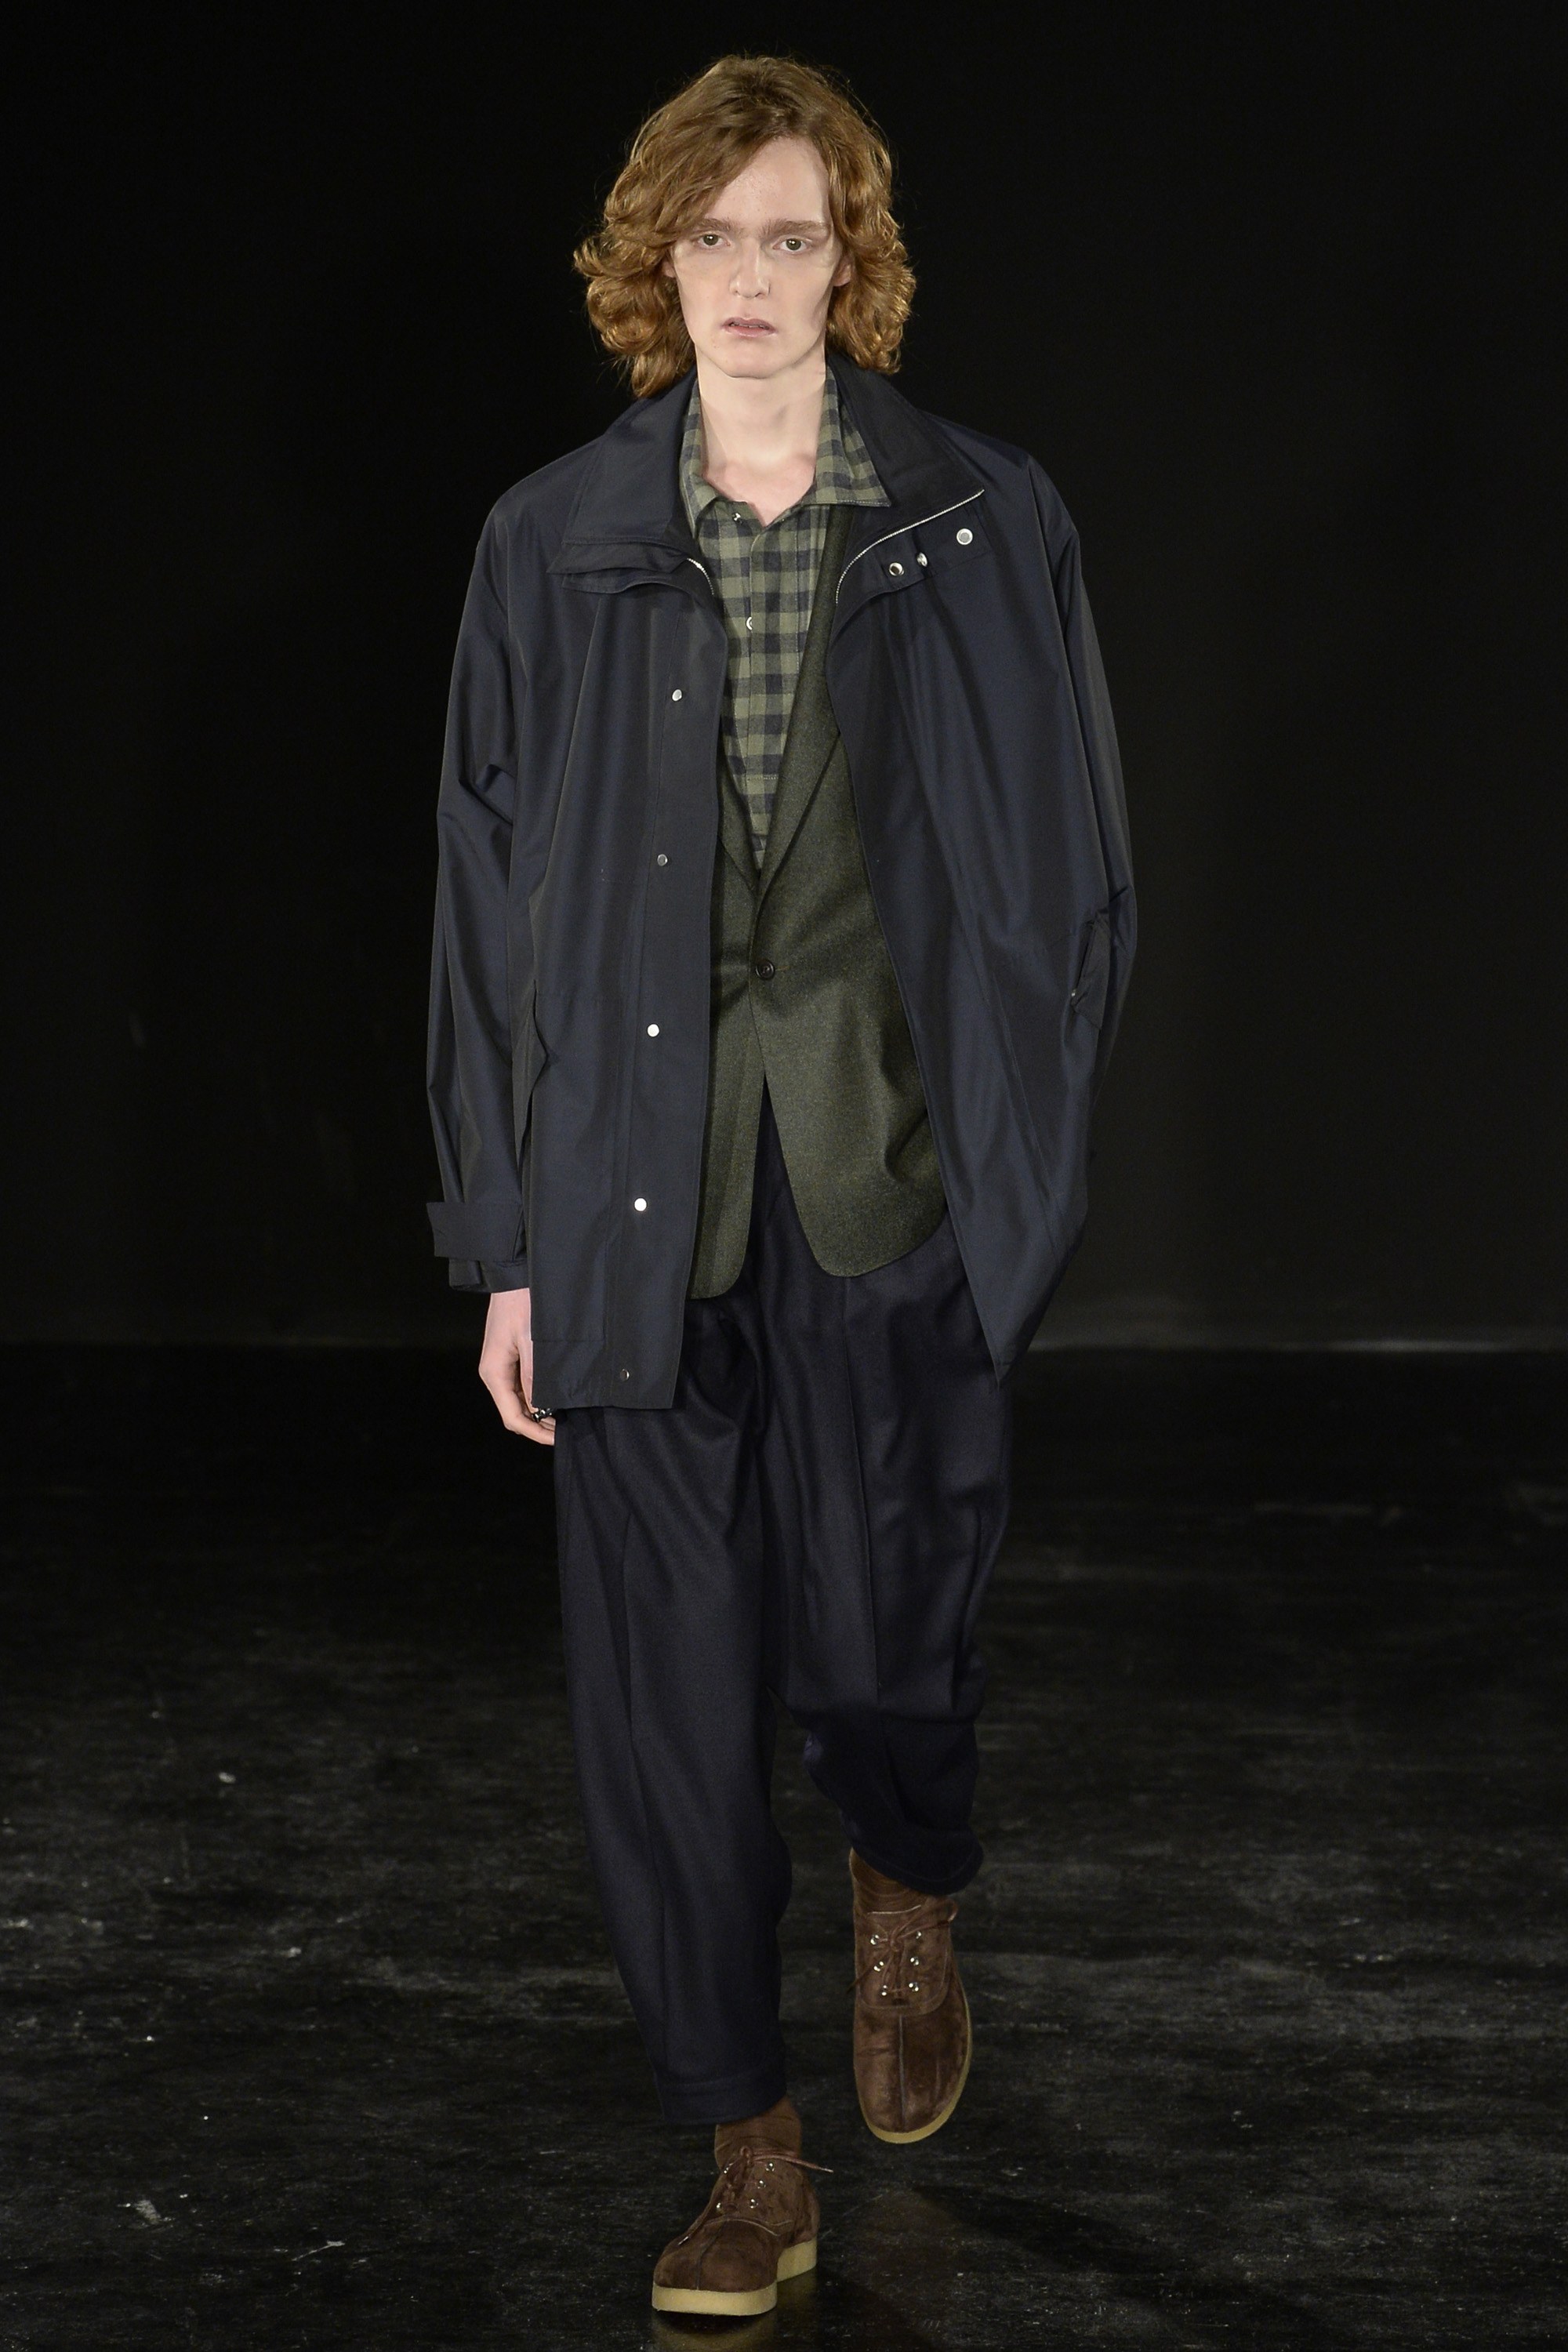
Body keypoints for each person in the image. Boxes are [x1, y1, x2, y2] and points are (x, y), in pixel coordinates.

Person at [426, 53, 1134, 2321]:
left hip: (887, 1175)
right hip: (629, 1196)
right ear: (658, 261)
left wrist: (1021, 1169)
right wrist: (503, 1239)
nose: (751, 275)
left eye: (795, 235)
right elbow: (485, 904)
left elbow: (1075, 872)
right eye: (715, 234)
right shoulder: (554, 538)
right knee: (663, 1700)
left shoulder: (977, 515)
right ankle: (749, 2151)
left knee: (889, 1630)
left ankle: (906, 1877)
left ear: (855, 264)